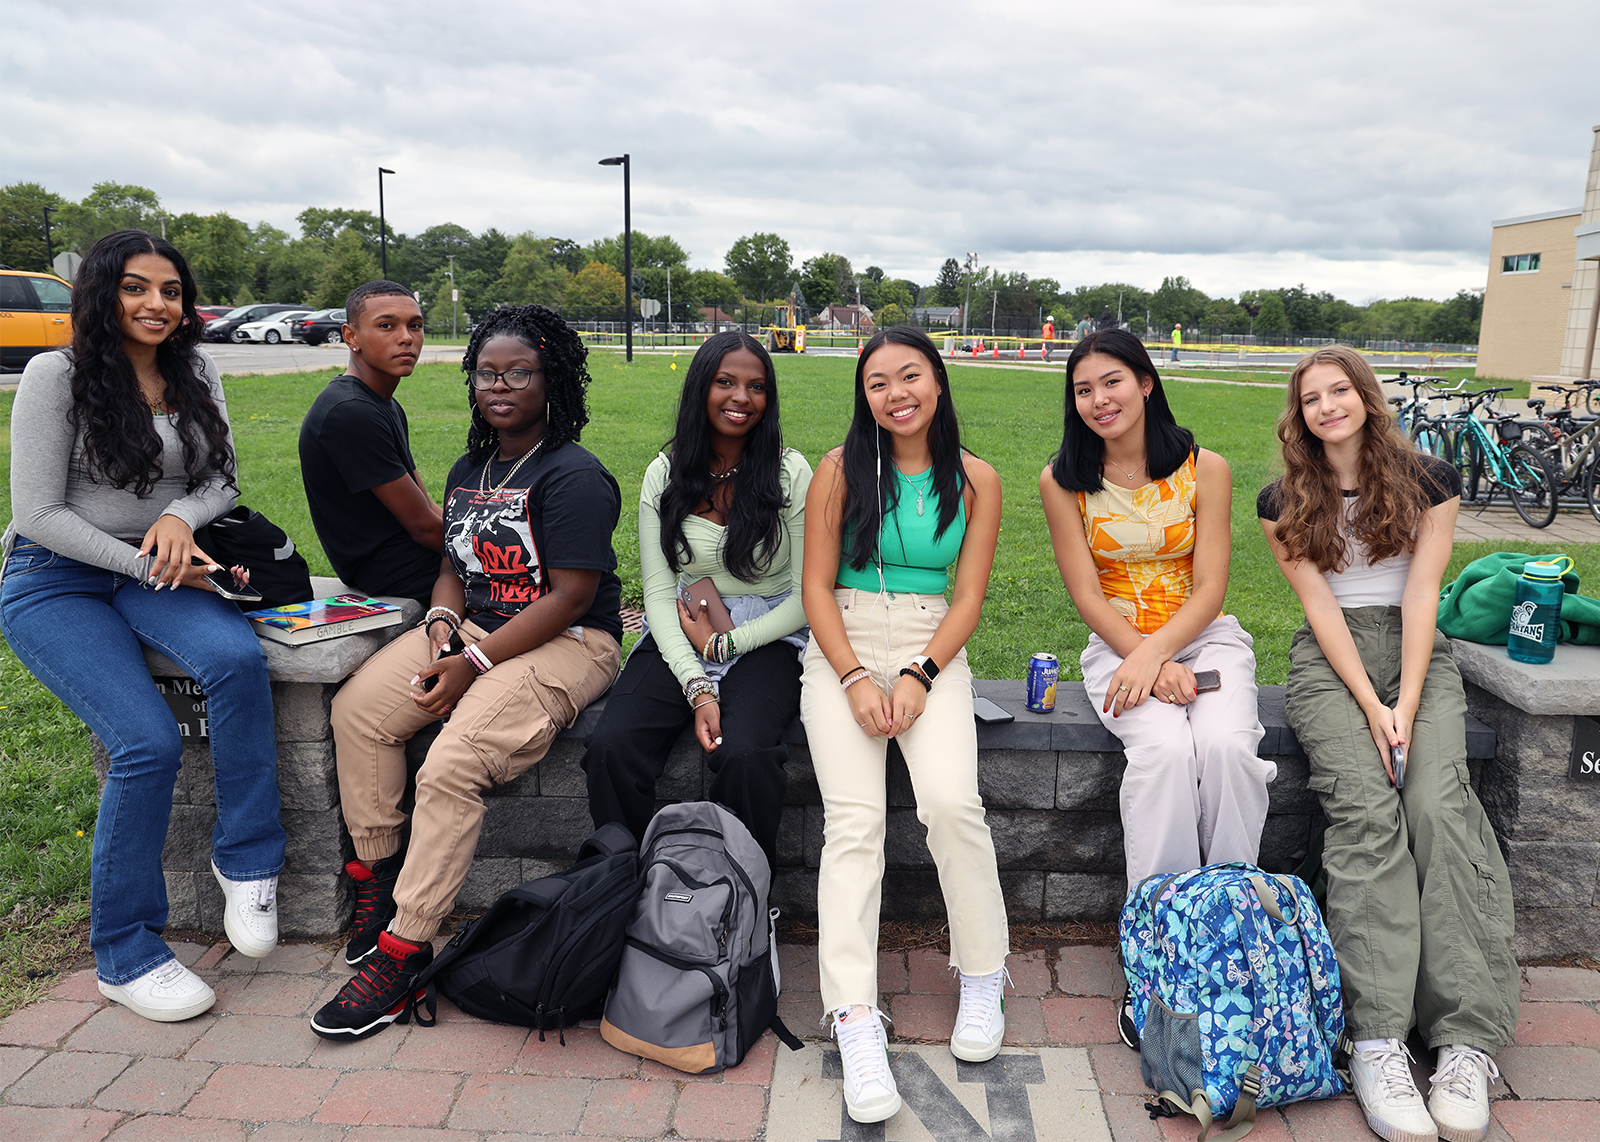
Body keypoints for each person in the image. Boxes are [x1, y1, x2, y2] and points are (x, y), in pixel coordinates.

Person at [311, 304, 624, 1042]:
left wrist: (474, 664)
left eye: (520, 372)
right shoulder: (469, 468)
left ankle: (404, 948)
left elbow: (572, 594)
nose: (501, 384)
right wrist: (445, 628)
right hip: (476, 626)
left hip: (570, 640)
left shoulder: (574, 474)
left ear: (552, 380)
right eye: (488, 372)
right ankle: (381, 882)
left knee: (451, 763)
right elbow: (453, 566)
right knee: (359, 712)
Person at [1, 230, 285, 1022]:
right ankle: (124, 953)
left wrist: (174, 517)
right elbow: (39, 513)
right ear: (101, 293)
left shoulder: (195, 370)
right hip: (54, 577)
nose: (157, 304)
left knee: (234, 660)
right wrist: (147, 561)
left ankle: (248, 862)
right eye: (136, 288)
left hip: (159, 561)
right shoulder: (54, 375)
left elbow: (222, 480)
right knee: (146, 742)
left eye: (169, 290)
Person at [1259, 346, 1516, 1142]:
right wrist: (1372, 705)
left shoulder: (1430, 480)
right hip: (1331, 662)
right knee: (1368, 816)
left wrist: (1405, 697)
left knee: (1438, 806)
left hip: (1416, 651)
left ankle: (1463, 1040)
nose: (1327, 406)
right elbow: (1323, 609)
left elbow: (1422, 589)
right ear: (1299, 415)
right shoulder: (1282, 500)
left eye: (1340, 391)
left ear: (1367, 399)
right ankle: (1375, 1038)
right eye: (1312, 398)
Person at [1039, 329, 1277, 1047]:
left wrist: (1164, 654)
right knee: (1165, 758)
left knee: (1229, 747)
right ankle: (1161, 955)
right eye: (1083, 389)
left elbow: (1209, 588)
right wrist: (1142, 656)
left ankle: (1232, 935)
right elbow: (1086, 594)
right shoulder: (1063, 480)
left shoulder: (1206, 468)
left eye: (1111, 382)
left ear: (1145, 383)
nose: (1097, 400)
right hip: (1116, 645)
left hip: (1204, 639)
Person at [801, 326, 1010, 1124]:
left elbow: (967, 599)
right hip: (844, 639)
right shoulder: (838, 470)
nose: (896, 393)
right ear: (864, 395)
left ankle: (984, 976)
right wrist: (853, 675)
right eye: (878, 381)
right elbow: (817, 586)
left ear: (939, 382)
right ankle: (854, 1017)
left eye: (911, 376)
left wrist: (921, 674)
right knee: (853, 823)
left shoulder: (979, 479)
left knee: (953, 804)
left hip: (931, 642)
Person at [582, 332, 811, 867]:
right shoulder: (665, 474)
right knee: (613, 748)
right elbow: (660, 594)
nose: (742, 397)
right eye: (725, 382)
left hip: (771, 633)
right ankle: (619, 890)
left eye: (757, 386)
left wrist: (728, 643)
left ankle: (745, 904)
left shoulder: (789, 472)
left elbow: (806, 596)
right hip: (683, 626)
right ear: (700, 388)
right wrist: (698, 685)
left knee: (747, 754)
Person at [298, 281, 443, 608]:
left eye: (415, 326)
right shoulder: (349, 412)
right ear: (351, 337)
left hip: (411, 556)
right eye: (387, 326)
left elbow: (427, 506)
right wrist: (496, 553)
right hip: (392, 571)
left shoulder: (384, 404)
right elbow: (423, 528)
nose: (406, 337)